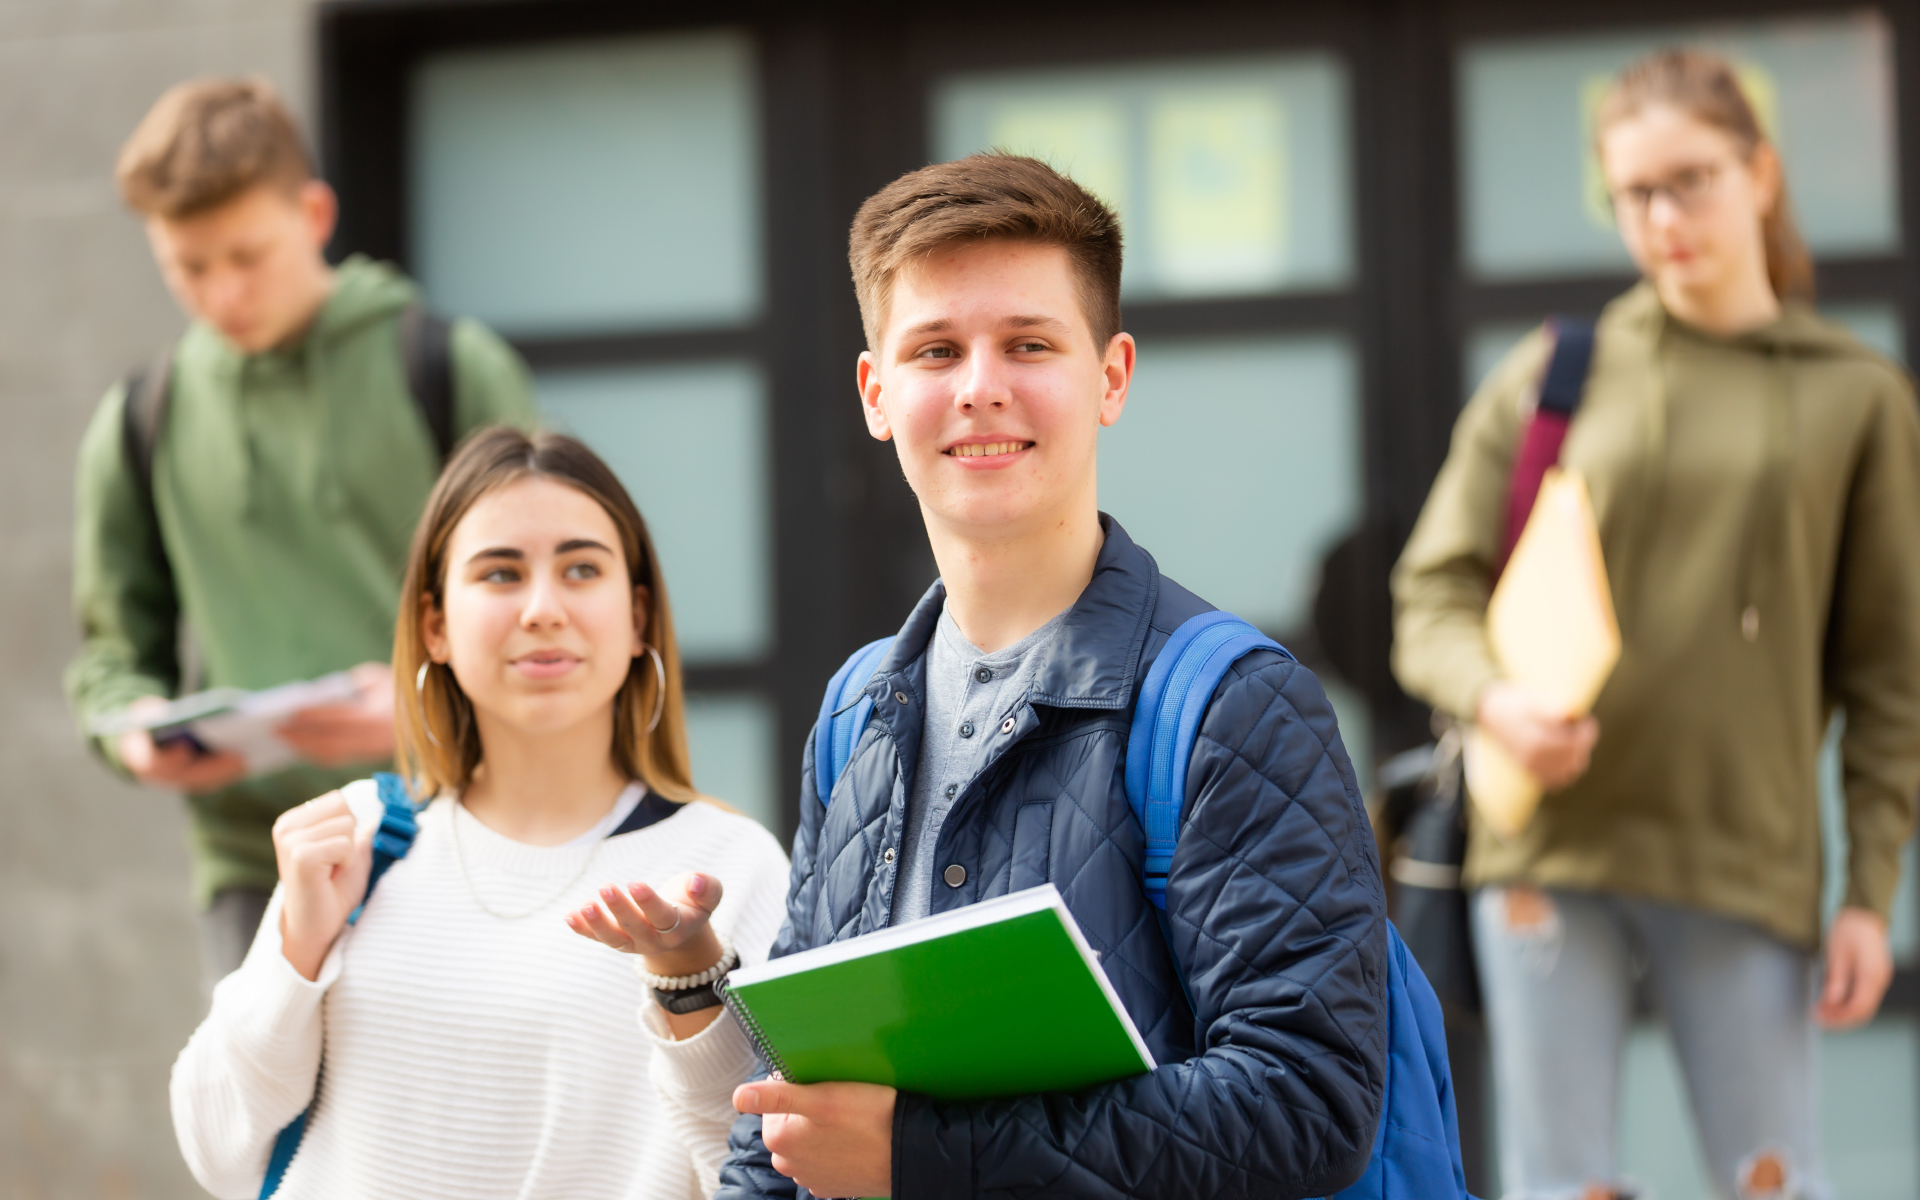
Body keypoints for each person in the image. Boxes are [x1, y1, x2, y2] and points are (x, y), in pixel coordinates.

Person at [701, 154, 1388, 1200]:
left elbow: (1307, 1105)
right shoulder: (855, 716)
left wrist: (924, 1158)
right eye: (936, 350)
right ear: (877, 394)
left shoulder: (1230, 705)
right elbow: (785, 1105)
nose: (981, 385)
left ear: (1110, 376)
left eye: (1028, 344)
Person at [1392, 48, 1920, 1200]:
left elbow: (1892, 676)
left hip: (1744, 855)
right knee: (1559, 1186)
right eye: (1634, 192)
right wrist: (1497, 701)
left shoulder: (1859, 395)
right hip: (1547, 852)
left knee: (1770, 1182)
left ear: (1761, 173)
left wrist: (1871, 896)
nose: (1664, 216)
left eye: (1692, 180)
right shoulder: (1560, 372)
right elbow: (1429, 594)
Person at [170, 427, 790, 1199]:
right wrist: (296, 950)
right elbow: (217, 1149)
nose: (541, 608)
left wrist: (690, 987)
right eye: (500, 573)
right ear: (436, 625)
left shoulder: (731, 865)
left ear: (636, 616)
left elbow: (766, 1174)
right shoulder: (359, 842)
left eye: (581, 569)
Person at [66, 77, 538, 984]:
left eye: (248, 255)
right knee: (269, 1126)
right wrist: (134, 731)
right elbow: (110, 656)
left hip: (457, 822)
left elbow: (553, 604)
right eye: (189, 268)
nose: (223, 292)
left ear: (315, 213)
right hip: (255, 860)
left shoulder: (447, 369)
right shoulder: (141, 418)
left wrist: (416, 710)